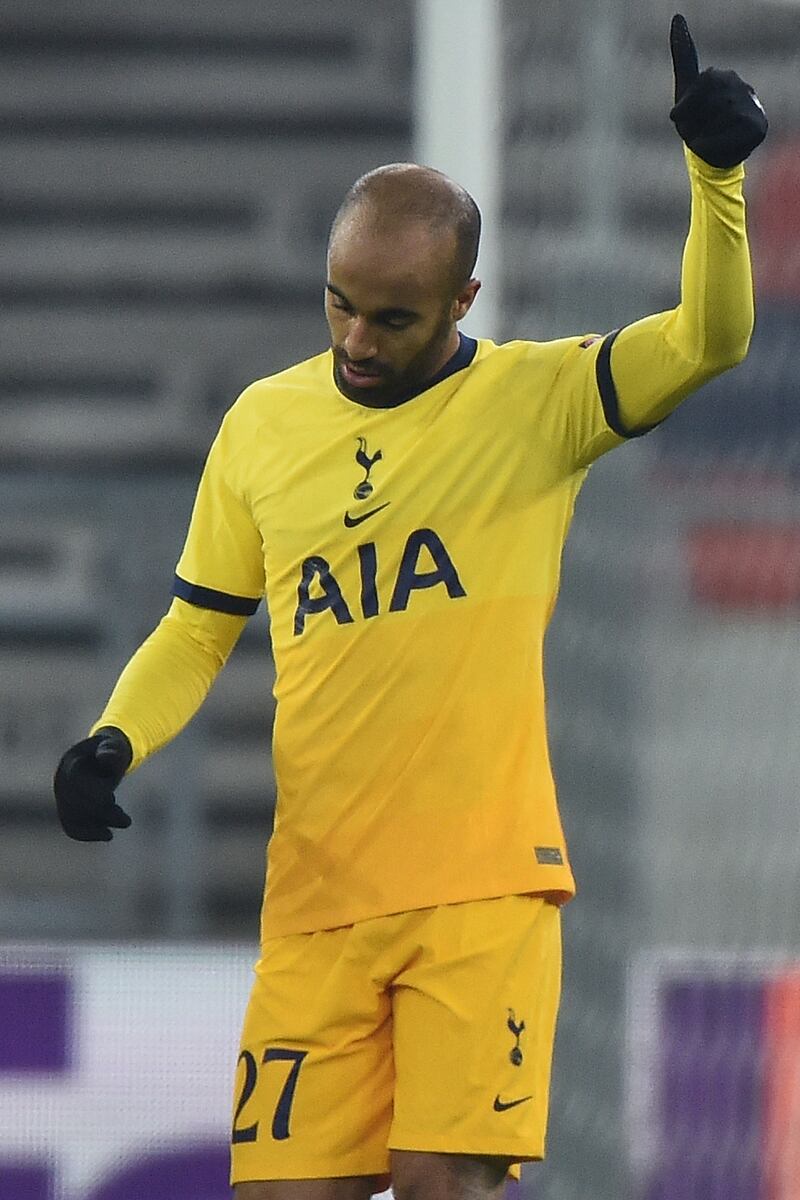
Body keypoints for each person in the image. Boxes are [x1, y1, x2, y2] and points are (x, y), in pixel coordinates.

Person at [53, 16, 766, 1200]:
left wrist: (715, 186)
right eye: (337, 305)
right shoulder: (264, 426)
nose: (353, 340)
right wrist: (114, 739)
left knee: (446, 1185)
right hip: (318, 896)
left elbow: (708, 339)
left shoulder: (538, 404)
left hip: (481, 889)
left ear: (462, 298)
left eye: (390, 317)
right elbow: (197, 624)